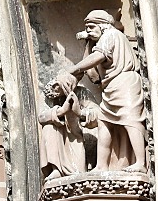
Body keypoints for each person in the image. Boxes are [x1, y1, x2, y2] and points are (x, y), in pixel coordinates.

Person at [56, 10, 147, 172]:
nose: (88, 30)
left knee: (130, 120)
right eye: (87, 28)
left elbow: (96, 58)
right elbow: (93, 75)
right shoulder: (101, 42)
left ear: (103, 25)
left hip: (125, 83)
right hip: (111, 86)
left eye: (91, 27)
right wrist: (88, 44)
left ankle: (141, 162)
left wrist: (73, 68)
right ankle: (101, 165)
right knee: (104, 124)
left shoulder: (111, 35)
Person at [39, 80, 87, 181]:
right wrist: (60, 111)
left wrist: (80, 112)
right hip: (62, 140)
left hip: (78, 138)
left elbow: (98, 114)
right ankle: (56, 168)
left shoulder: (81, 93)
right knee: (48, 127)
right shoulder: (48, 98)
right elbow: (41, 117)